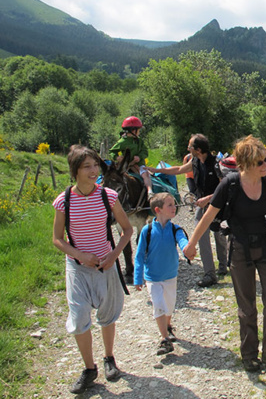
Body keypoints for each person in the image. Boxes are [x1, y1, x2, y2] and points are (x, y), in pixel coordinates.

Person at [184, 135, 266, 374]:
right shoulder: (230, 185)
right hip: (240, 250)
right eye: (259, 162)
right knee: (247, 308)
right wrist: (191, 244)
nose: (265, 164)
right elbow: (209, 216)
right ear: (245, 164)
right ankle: (249, 356)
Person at [52, 145, 133, 394]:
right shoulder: (63, 201)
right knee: (78, 320)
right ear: (74, 171)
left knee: (107, 315)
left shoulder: (107, 196)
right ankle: (89, 368)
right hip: (77, 268)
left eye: (95, 165)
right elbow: (57, 238)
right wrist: (80, 256)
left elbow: (127, 230)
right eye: (87, 166)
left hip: (106, 267)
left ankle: (109, 358)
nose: (94, 170)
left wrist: (114, 255)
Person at [148, 134, 221, 287]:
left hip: (217, 205)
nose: (188, 149)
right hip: (202, 206)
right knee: (201, 236)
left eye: (190, 146)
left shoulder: (216, 163)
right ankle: (210, 274)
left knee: (219, 234)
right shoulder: (194, 161)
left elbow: (224, 188)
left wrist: (208, 198)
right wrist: (154, 170)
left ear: (198, 149)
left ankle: (223, 265)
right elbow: (179, 169)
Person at [133, 192, 188, 356]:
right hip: (153, 277)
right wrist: (138, 277)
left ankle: (168, 326)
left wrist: (187, 250)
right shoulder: (147, 231)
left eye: (174, 204)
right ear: (158, 209)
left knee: (169, 306)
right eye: (170, 205)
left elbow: (183, 242)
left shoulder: (175, 229)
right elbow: (139, 255)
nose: (174, 207)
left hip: (171, 275)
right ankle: (165, 339)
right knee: (158, 305)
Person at [109, 116, 153, 198]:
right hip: (126, 166)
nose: (139, 132)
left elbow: (145, 151)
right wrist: (117, 157)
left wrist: (140, 157)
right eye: (139, 130)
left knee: (145, 175)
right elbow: (112, 151)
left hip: (139, 165)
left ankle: (150, 191)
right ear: (133, 130)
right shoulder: (122, 142)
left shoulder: (140, 140)